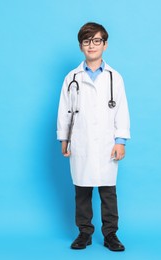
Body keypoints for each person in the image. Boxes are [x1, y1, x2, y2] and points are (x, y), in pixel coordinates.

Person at [57, 22, 130, 252]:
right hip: (81, 141)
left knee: (108, 191)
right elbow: (65, 110)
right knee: (82, 190)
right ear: (81, 46)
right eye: (87, 41)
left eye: (97, 40)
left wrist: (120, 141)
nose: (92, 45)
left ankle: (111, 235)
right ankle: (84, 233)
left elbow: (122, 110)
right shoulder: (72, 78)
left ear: (105, 45)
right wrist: (64, 139)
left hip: (108, 144)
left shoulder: (114, 78)